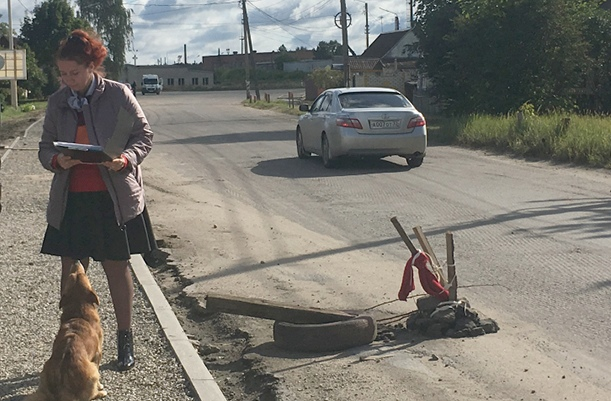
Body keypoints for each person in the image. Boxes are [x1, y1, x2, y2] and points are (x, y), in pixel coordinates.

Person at [38, 29, 155, 372]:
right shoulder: (57, 102)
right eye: (62, 73)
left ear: (91, 65)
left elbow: (143, 136)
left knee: (117, 268)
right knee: (72, 274)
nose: (67, 80)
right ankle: (69, 344)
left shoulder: (118, 95)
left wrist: (126, 160)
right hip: (72, 199)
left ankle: (124, 341)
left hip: (111, 198)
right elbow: (46, 147)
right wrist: (58, 161)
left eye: (73, 72)